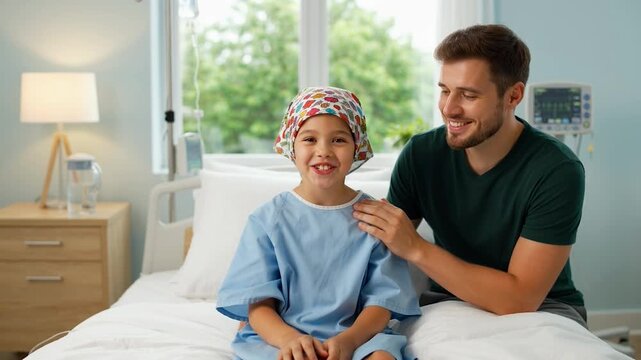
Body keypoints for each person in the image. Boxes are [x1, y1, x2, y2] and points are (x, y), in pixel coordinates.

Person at [353, 24, 588, 327]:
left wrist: (416, 248)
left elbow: (521, 299)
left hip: (545, 310)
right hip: (449, 305)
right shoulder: (421, 155)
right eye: (445, 91)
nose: (449, 108)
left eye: (468, 95)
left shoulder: (556, 169)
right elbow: (380, 252)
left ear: (513, 95)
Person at [216, 86, 421, 360]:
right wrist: (290, 340)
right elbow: (258, 306)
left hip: (357, 336)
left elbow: (381, 304)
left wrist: (348, 342)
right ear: (292, 145)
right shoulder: (267, 221)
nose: (323, 151)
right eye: (310, 139)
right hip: (283, 337)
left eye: (338, 140)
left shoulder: (374, 218)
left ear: (356, 146)